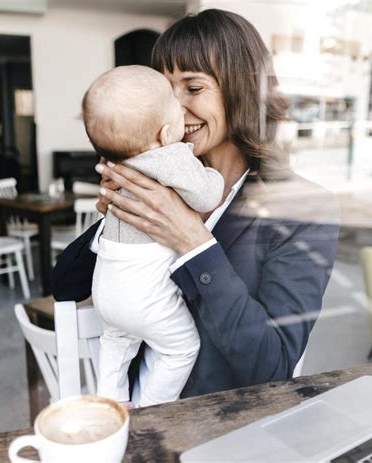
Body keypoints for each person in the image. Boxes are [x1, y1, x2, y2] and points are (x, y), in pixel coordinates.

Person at [52, 8, 339, 401]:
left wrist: (193, 242)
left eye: (194, 88)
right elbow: (64, 285)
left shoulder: (304, 208)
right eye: (165, 92)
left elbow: (272, 366)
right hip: (134, 412)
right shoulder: (156, 179)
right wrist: (114, 220)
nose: (175, 110)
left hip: (211, 428)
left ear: (242, 89)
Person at [81, 65, 223, 407]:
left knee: (116, 343)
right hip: (143, 293)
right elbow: (205, 195)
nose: (183, 112)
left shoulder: (114, 164)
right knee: (181, 348)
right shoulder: (169, 157)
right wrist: (213, 175)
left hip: (106, 288)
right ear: (163, 133)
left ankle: (110, 406)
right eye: (175, 105)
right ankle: (151, 411)